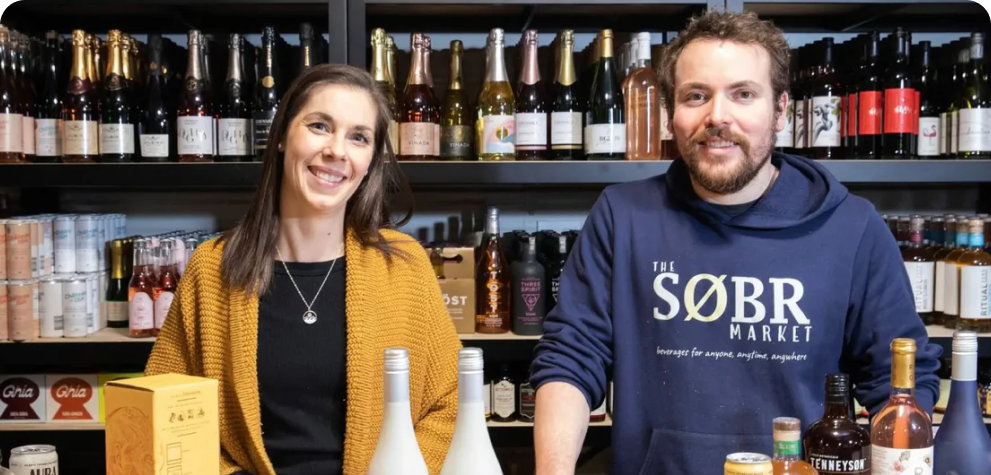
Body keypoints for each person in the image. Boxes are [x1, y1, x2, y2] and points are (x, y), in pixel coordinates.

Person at [530, 11, 941, 475]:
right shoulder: (622, 216)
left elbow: (901, 382)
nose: (717, 117)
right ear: (671, 113)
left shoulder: (853, 227)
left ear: (781, 109)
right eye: (696, 96)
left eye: (743, 94)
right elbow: (570, 358)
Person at [146, 64, 462, 475]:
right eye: (319, 125)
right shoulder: (213, 269)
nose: (337, 150)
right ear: (280, 136)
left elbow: (451, 404)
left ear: (371, 160)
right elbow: (163, 413)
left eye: (359, 137)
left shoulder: (403, 266)